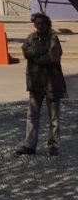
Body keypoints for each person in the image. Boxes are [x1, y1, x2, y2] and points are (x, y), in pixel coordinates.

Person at [17, 11, 67, 156]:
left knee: (54, 116)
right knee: (32, 115)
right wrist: (41, 52)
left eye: (42, 24)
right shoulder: (31, 38)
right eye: (37, 23)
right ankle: (29, 145)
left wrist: (36, 56)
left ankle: (54, 145)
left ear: (47, 25)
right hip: (35, 83)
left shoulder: (53, 38)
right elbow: (26, 52)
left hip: (52, 83)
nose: (39, 26)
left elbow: (53, 58)